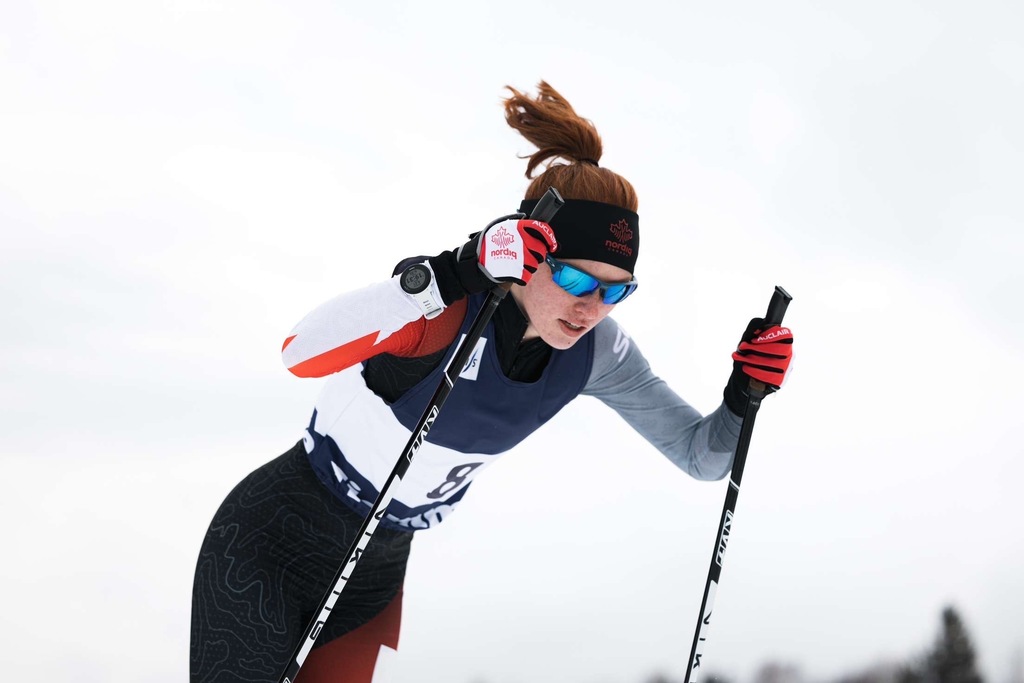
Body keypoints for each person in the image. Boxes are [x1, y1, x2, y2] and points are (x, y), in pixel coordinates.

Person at [189, 80, 794, 683]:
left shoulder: (597, 353)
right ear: (532, 252)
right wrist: (454, 269)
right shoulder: (449, 307)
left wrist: (743, 394)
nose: (591, 308)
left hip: (372, 577)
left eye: (616, 291)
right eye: (579, 281)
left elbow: (702, 457)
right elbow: (301, 351)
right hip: (270, 542)